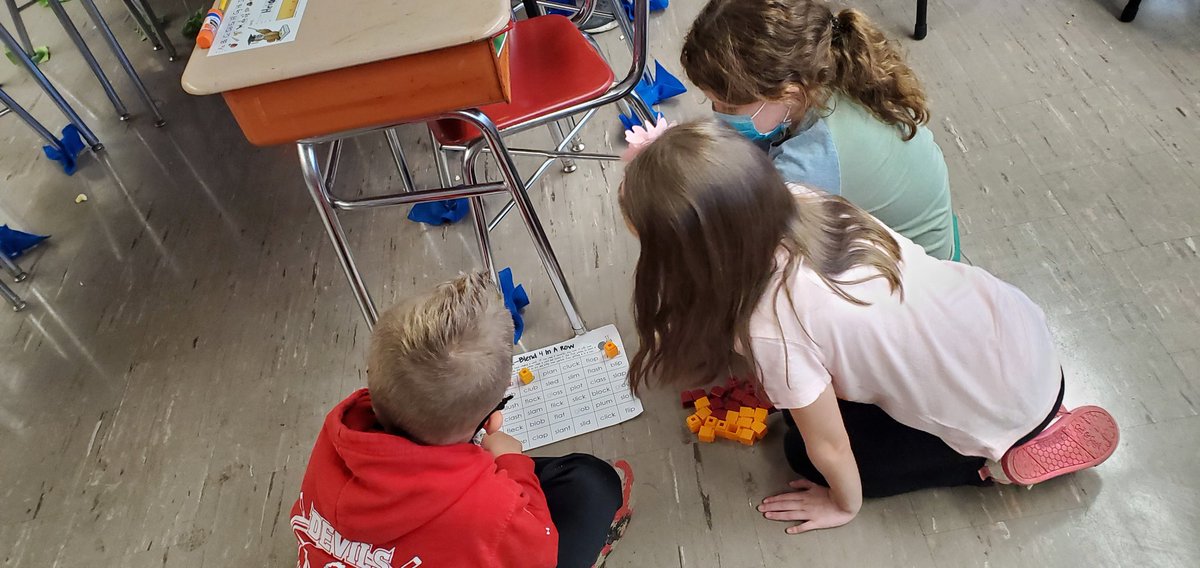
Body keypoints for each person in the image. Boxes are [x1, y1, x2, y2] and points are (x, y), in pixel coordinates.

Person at [618, 120, 1119, 534]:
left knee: (801, 446)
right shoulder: (801, 198)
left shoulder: (771, 322)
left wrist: (843, 504)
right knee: (810, 399)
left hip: (995, 415)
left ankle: (995, 464)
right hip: (1013, 333)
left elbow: (830, 446)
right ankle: (1032, 414)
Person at [290, 273, 628, 567]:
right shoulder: (493, 510)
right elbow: (539, 552)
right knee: (594, 483)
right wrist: (514, 465)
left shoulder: (340, 430)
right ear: (491, 421)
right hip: (481, 522)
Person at [680, 0, 959, 261]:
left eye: (729, 108)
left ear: (788, 94)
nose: (719, 118)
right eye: (712, 102)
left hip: (915, 273)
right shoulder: (823, 68)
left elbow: (749, 253)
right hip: (927, 230)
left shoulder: (810, 162)